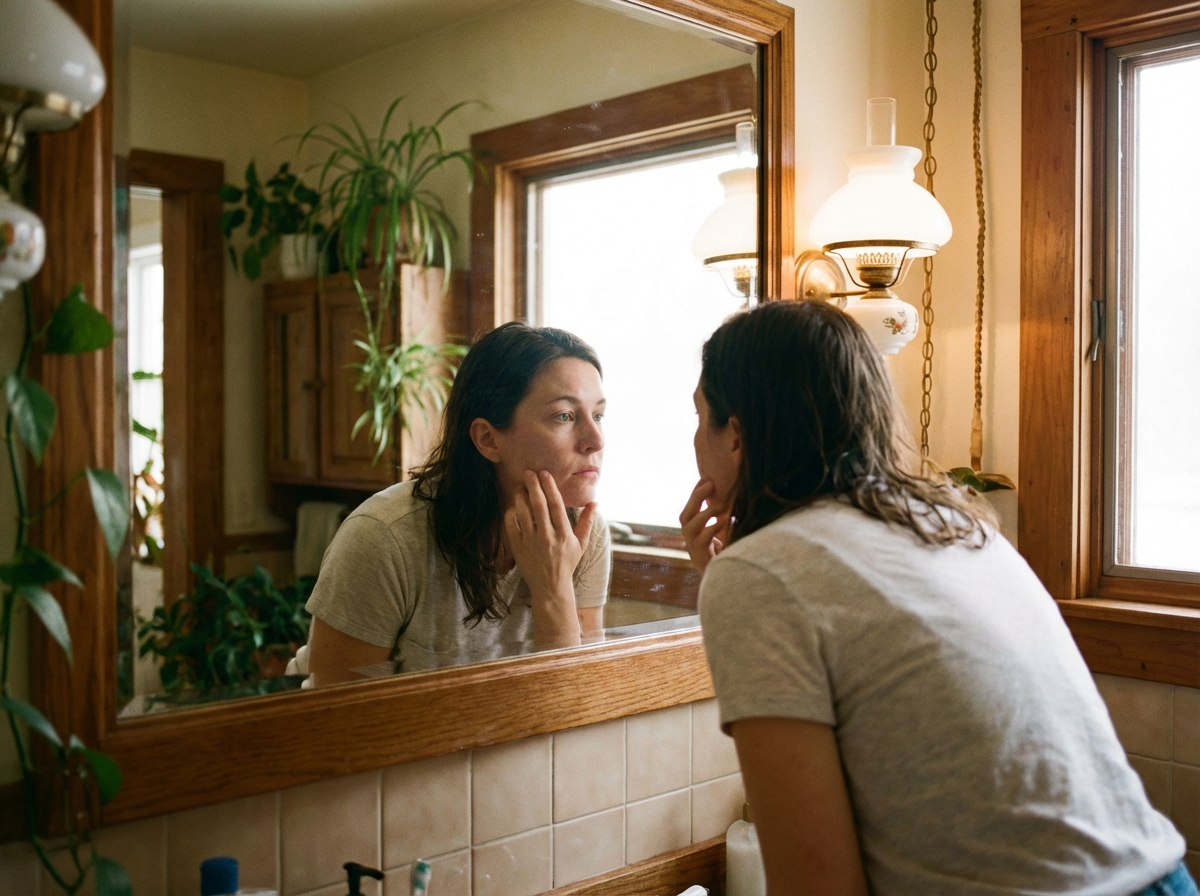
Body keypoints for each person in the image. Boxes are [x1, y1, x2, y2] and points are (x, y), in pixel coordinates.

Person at [681, 300, 1193, 896]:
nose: (694, 440)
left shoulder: (761, 576)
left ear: (737, 436)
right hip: (1160, 876)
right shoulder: (954, 526)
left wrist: (736, 579)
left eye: (699, 417)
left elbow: (817, 884)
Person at [297, 321, 611, 685]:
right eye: (564, 416)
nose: (596, 439)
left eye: (598, 415)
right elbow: (337, 710)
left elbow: (574, 698)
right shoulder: (384, 538)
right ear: (488, 439)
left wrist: (553, 589)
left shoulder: (585, 532)